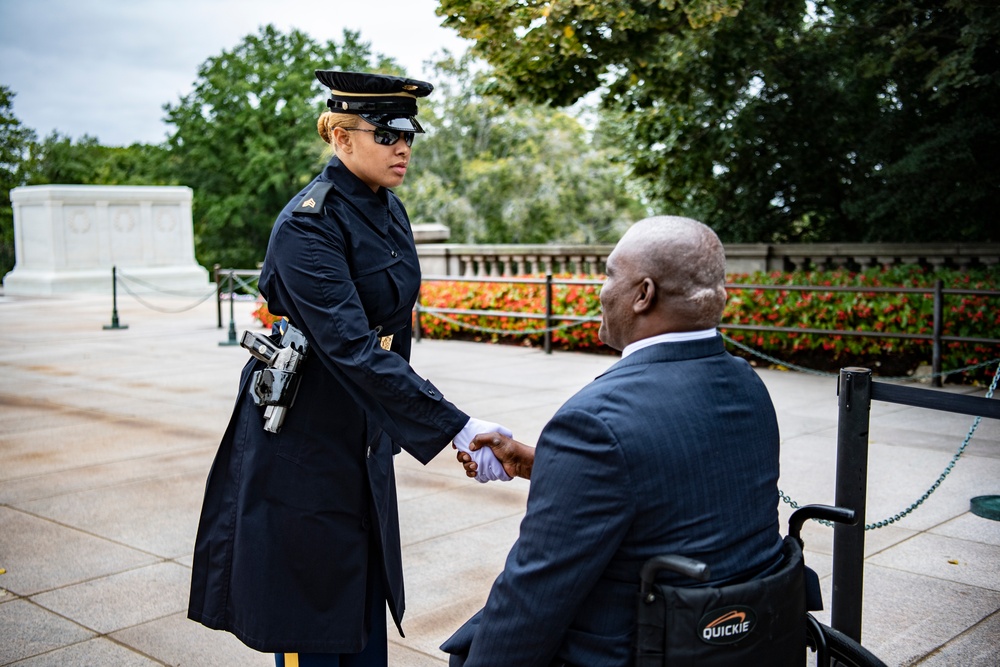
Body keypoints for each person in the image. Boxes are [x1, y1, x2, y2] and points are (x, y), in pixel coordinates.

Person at [188, 70, 510, 667]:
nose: (402, 148)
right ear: (341, 137)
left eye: (408, 135)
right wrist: (455, 426)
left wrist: (397, 421)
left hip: (362, 428)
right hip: (304, 443)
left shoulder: (389, 209)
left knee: (362, 599)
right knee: (312, 615)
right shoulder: (310, 224)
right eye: (386, 134)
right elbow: (352, 348)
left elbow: (396, 335)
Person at [441, 216, 785, 666]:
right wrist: (535, 462)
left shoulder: (595, 421)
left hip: (638, 647)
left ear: (643, 295)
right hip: (736, 640)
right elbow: (669, 482)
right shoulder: (747, 385)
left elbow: (532, 599)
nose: (600, 290)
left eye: (608, 274)